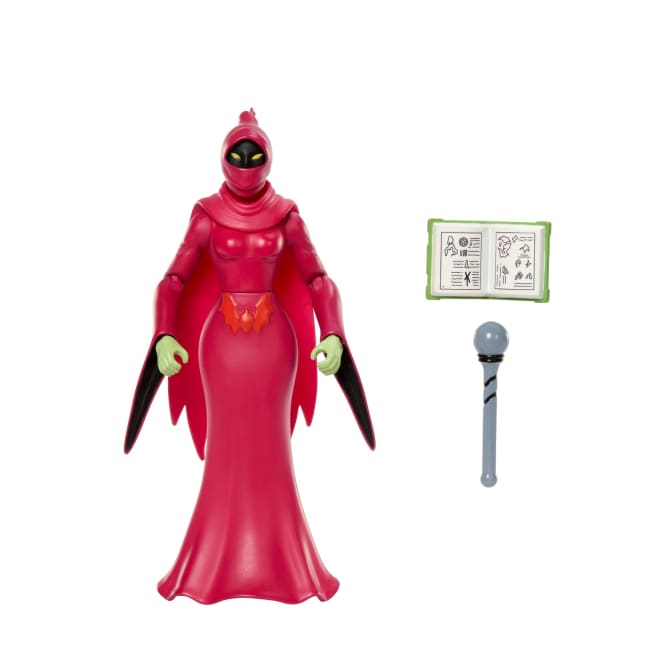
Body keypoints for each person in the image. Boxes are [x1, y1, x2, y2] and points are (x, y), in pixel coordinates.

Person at [125, 109, 374, 605]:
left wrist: (332, 333)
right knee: (226, 449)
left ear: (267, 158)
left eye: (253, 155)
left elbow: (318, 279)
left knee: (271, 449)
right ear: (223, 158)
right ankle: (211, 561)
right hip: (220, 345)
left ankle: (286, 561)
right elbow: (172, 280)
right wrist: (165, 334)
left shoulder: (286, 214)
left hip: (274, 346)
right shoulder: (206, 214)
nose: (245, 164)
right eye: (237, 155)